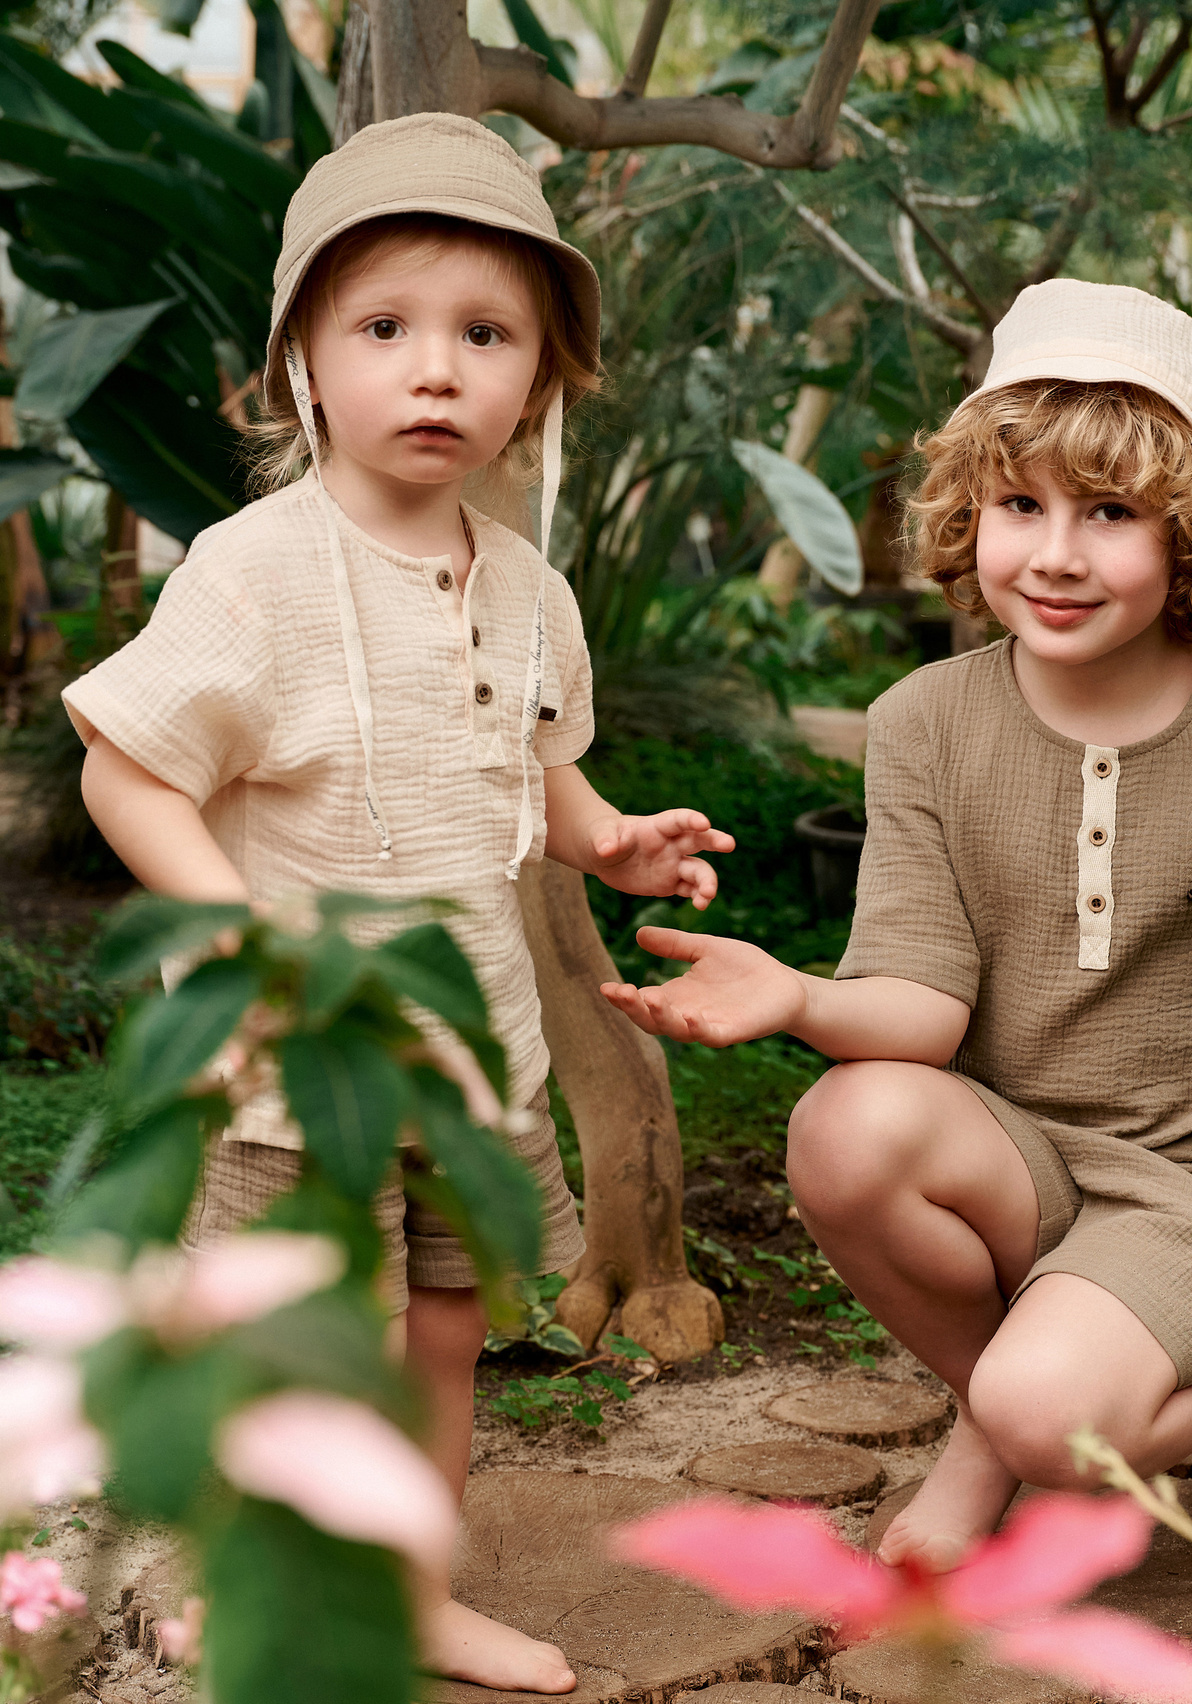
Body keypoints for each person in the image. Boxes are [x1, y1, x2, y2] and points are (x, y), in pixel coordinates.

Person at [600, 279, 1192, 1567]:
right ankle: (1070, 1393)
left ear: (1188, 537)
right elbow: (920, 1009)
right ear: (972, 513)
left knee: (1048, 1417)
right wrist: (794, 991)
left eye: (1109, 513)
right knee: (844, 1128)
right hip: (1022, 1159)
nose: (1055, 555)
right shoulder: (924, 726)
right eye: (1021, 506)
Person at [65, 113, 730, 1695]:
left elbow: (528, 769)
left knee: (443, 1336)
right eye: (386, 329)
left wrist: (608, 839)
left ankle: (413, 1587)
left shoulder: (529, 587)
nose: (437, 372)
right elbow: (126, 772)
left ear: (541, 379)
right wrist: (233, 929)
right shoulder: (253, 573)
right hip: (295, 1069)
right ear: (303, 360)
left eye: (485, 335)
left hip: (471, 1051)